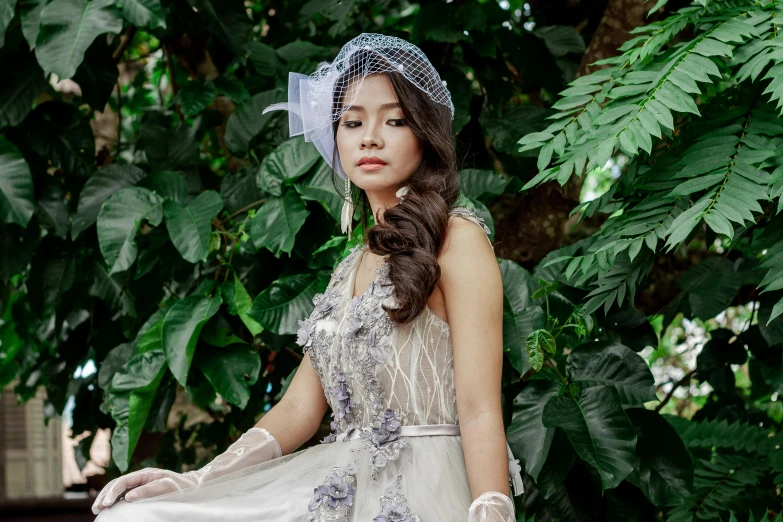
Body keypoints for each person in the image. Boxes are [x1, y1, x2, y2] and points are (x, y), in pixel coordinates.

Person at [92, 33, 523, 522]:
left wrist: (491, 509)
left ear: (425, 135)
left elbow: (480, 407)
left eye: (395, 120)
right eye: (352, 121)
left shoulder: (457, 238)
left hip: (428, 489)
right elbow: (299, 408)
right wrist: (197, 479)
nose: (370, 137)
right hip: (339, 487)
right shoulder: (349, 267)